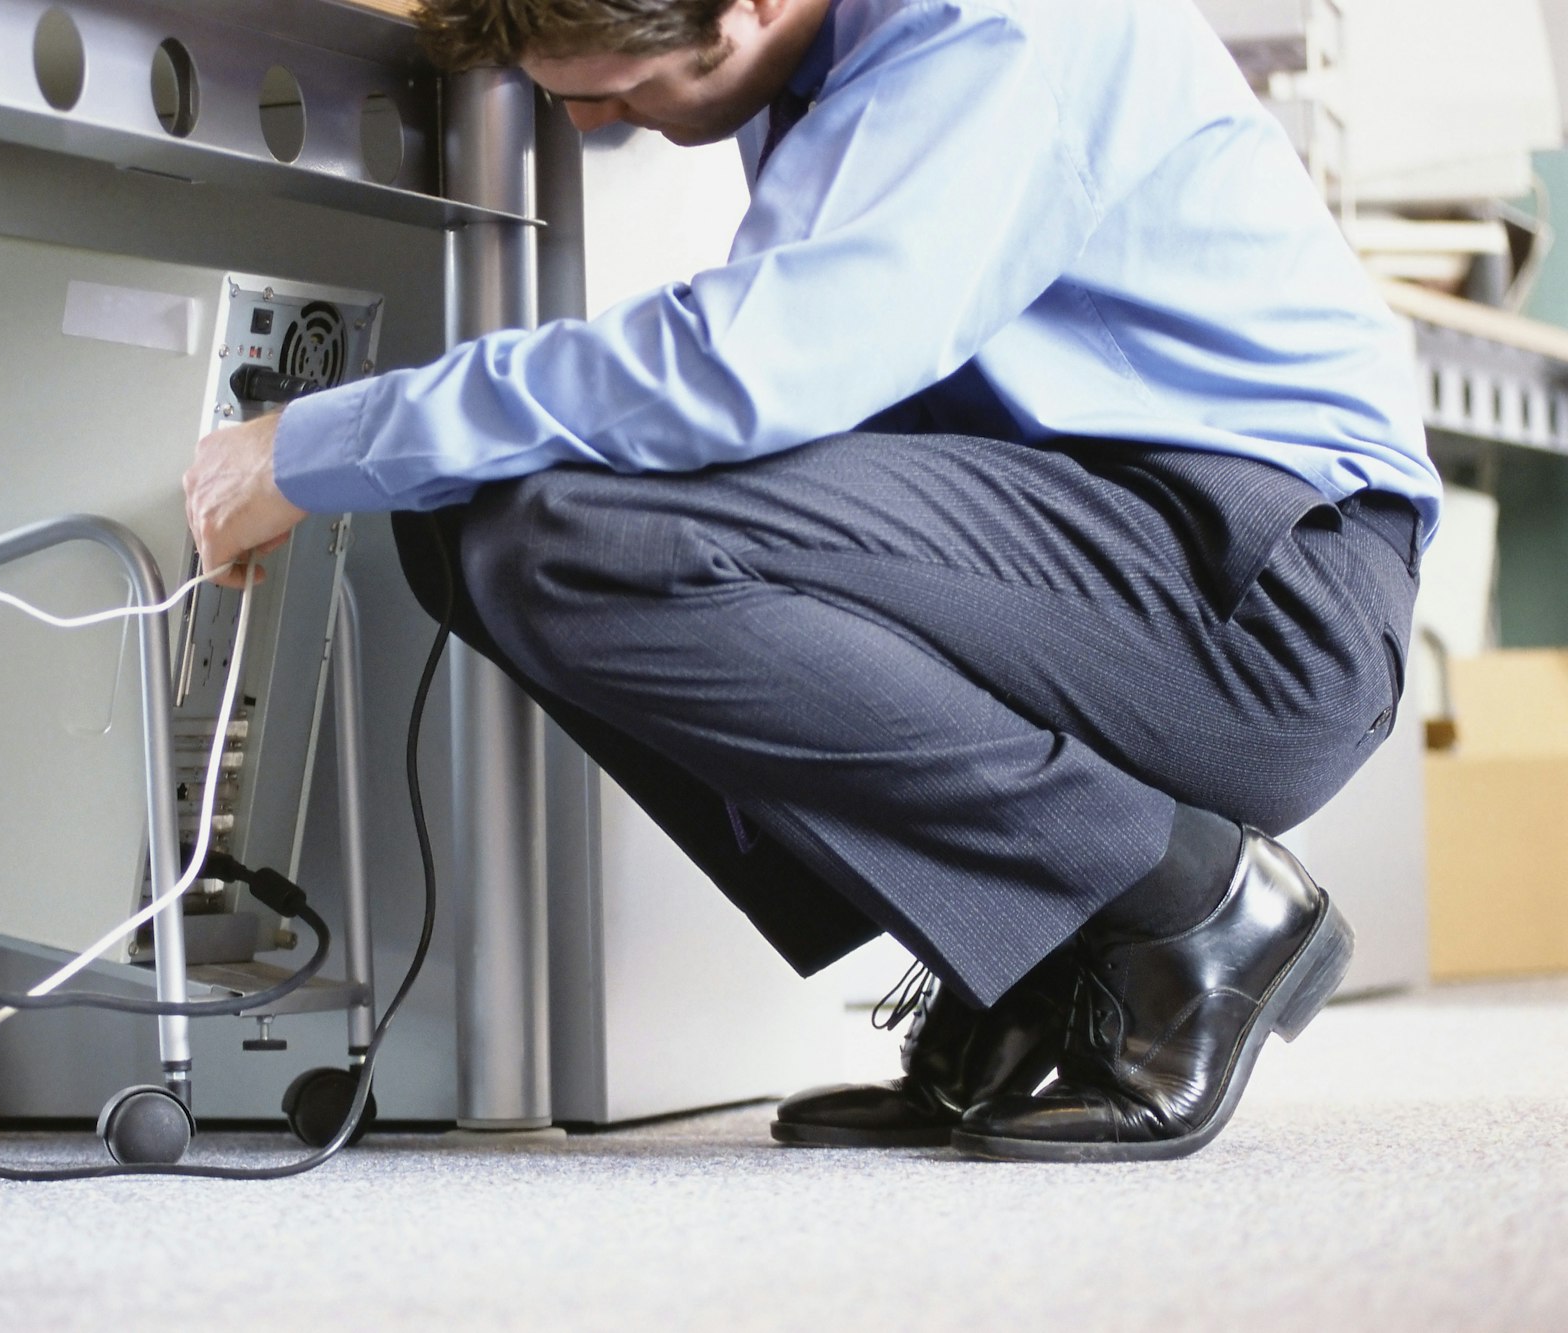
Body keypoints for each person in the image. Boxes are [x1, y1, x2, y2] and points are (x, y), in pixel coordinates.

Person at [183, 0, 1438, 1162]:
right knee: (478, 513)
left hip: (1259, 600)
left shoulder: (984, 31)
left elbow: (746, 366)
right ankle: (1040, 965)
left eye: (621, 93)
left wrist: (310, 443)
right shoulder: (844, 53)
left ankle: (1179, 902)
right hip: (1126, 558)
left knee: (576, 536)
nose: (591, 128)